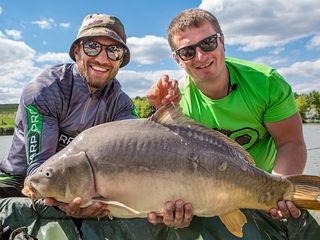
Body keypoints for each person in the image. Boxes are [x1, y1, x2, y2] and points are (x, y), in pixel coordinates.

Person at [0, 13, 192, 239]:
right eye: (93, 47)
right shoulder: (45, 90)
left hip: (83, 188)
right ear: (77, 51)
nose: (103, 58)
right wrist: (65, 201)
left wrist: (157, 111)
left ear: (121, 60)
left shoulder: (120, 102)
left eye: (114, 51)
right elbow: (38, 172)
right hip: (20, 184)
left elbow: (138, 150)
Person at [147, 8, 320, 239]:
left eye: (208, 43)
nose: (200, 56)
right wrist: (160, 111)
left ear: (223, 42)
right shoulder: (179, 105)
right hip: (208, 192)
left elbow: (291, 143)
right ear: (177, 59)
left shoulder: (266, 82)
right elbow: (168, 166)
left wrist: (278, 187)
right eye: (187, 51)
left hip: (266, 181)